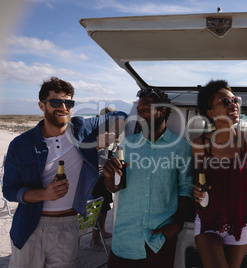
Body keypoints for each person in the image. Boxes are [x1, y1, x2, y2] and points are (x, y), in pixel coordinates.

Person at [2, 77, 127, 268]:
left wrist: (112, 134)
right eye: (55, 102)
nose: (63, 107)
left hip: (69, 224)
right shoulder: (20, 144)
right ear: (41, 106)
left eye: (68, 102)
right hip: (30, 226)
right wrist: (44, 194)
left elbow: (120, 115)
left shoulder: (82, 129)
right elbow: (9, 191)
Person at [192, 80, 247, 268]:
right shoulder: (200, 143)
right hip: (208, 221)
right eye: (225, 101)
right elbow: (198, 179)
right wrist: (196, 190)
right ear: (211, 113)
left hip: (239, 223)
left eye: (235, 100)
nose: (233, 104)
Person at [103, 88, 194, 268]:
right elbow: (115, 186)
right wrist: (109, 175)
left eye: (145, 109)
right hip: (124, 239)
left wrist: (178, 224)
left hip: (158, 240)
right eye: (139, 110)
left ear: (163, 111)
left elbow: (186, 188)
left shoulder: (181, 148)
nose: (140, 113)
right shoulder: (127, 145)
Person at [90, 107, 117, 250]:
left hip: (104, 176)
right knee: (98, 209)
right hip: (96, 177)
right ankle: (94, 239)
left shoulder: (108, 134)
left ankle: (102, 232)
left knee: (105, 207)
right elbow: (98, 158)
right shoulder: (97, 135)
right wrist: (111, 163)